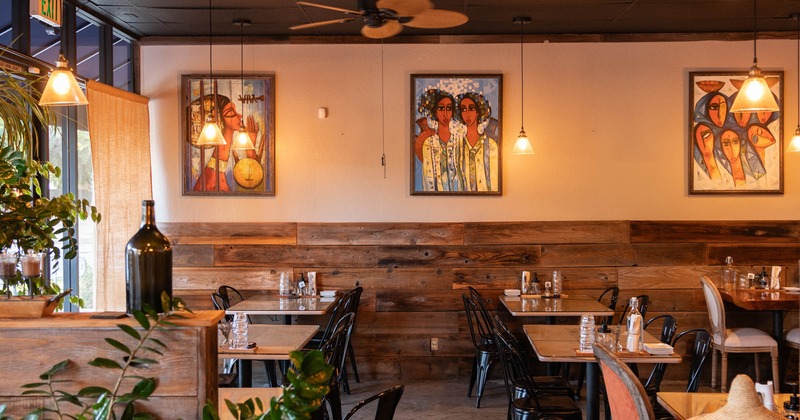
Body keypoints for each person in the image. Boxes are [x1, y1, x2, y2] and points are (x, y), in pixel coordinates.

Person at [192, 94, 263, 192]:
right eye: (231, 112)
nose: (240, 115)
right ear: (220, 120)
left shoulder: (218, 176)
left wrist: (250, 150)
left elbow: (253, 183)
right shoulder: (211, 183)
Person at [415, 89, 464, 191]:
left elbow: (462, 173)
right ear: (435, 112)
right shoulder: (429, 143)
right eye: (441, 108)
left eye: (449, 108)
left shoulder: (459, 140)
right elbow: (427, 177)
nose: (445, 113)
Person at [454, 92, 499, 192]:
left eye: (471, 108)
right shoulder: (457, 146)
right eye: (463, 109)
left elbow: (495, 179)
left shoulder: (491, 145)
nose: (467, 114)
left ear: (478, 111)